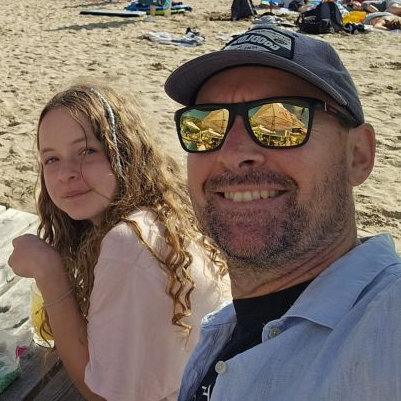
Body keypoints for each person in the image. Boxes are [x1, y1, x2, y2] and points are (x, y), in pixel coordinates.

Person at [165, 25, 401, 400]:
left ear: (358, 155)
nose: (233, 152)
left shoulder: (387, 328)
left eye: (282, 121)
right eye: (206, 125)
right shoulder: (221, 328)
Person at [8, 82, 229, 401]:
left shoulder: (130, 244)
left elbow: (102, 394)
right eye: (51, 159)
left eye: (86, 151)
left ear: (123, 152)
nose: (64, 173)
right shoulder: (163, 213)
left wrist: (49, 273)